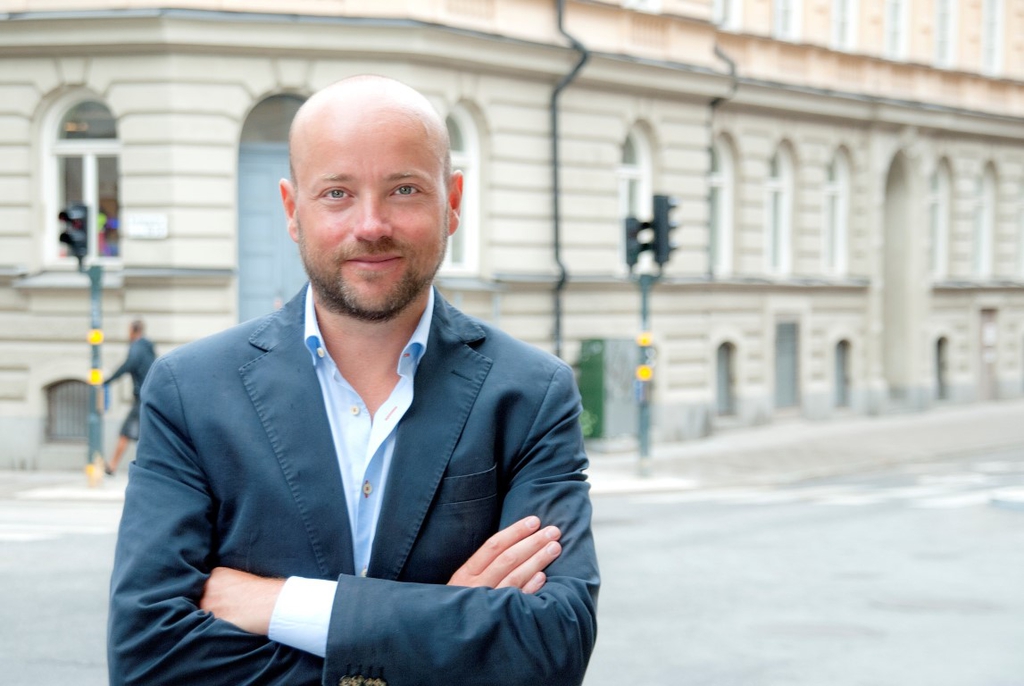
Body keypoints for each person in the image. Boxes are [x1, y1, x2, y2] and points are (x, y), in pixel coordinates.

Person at [108, 75, 599, 685]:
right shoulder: (190, 391)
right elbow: (147, 657)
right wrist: (446, 624)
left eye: (404, 189)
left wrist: (281, 604)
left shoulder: (531, 393)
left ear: (452, 202)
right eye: (337, 193)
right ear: (293, 210)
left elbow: (553, 646)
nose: (371, 224)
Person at [103, 318, 156, 476]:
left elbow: (128, 365)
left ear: (133, 331)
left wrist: (108, 380)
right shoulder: (149, 347)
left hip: (140, 397)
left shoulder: (137, 347)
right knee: (146, 434)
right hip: (148, 394)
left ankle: (112, 466)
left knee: (126, 432)